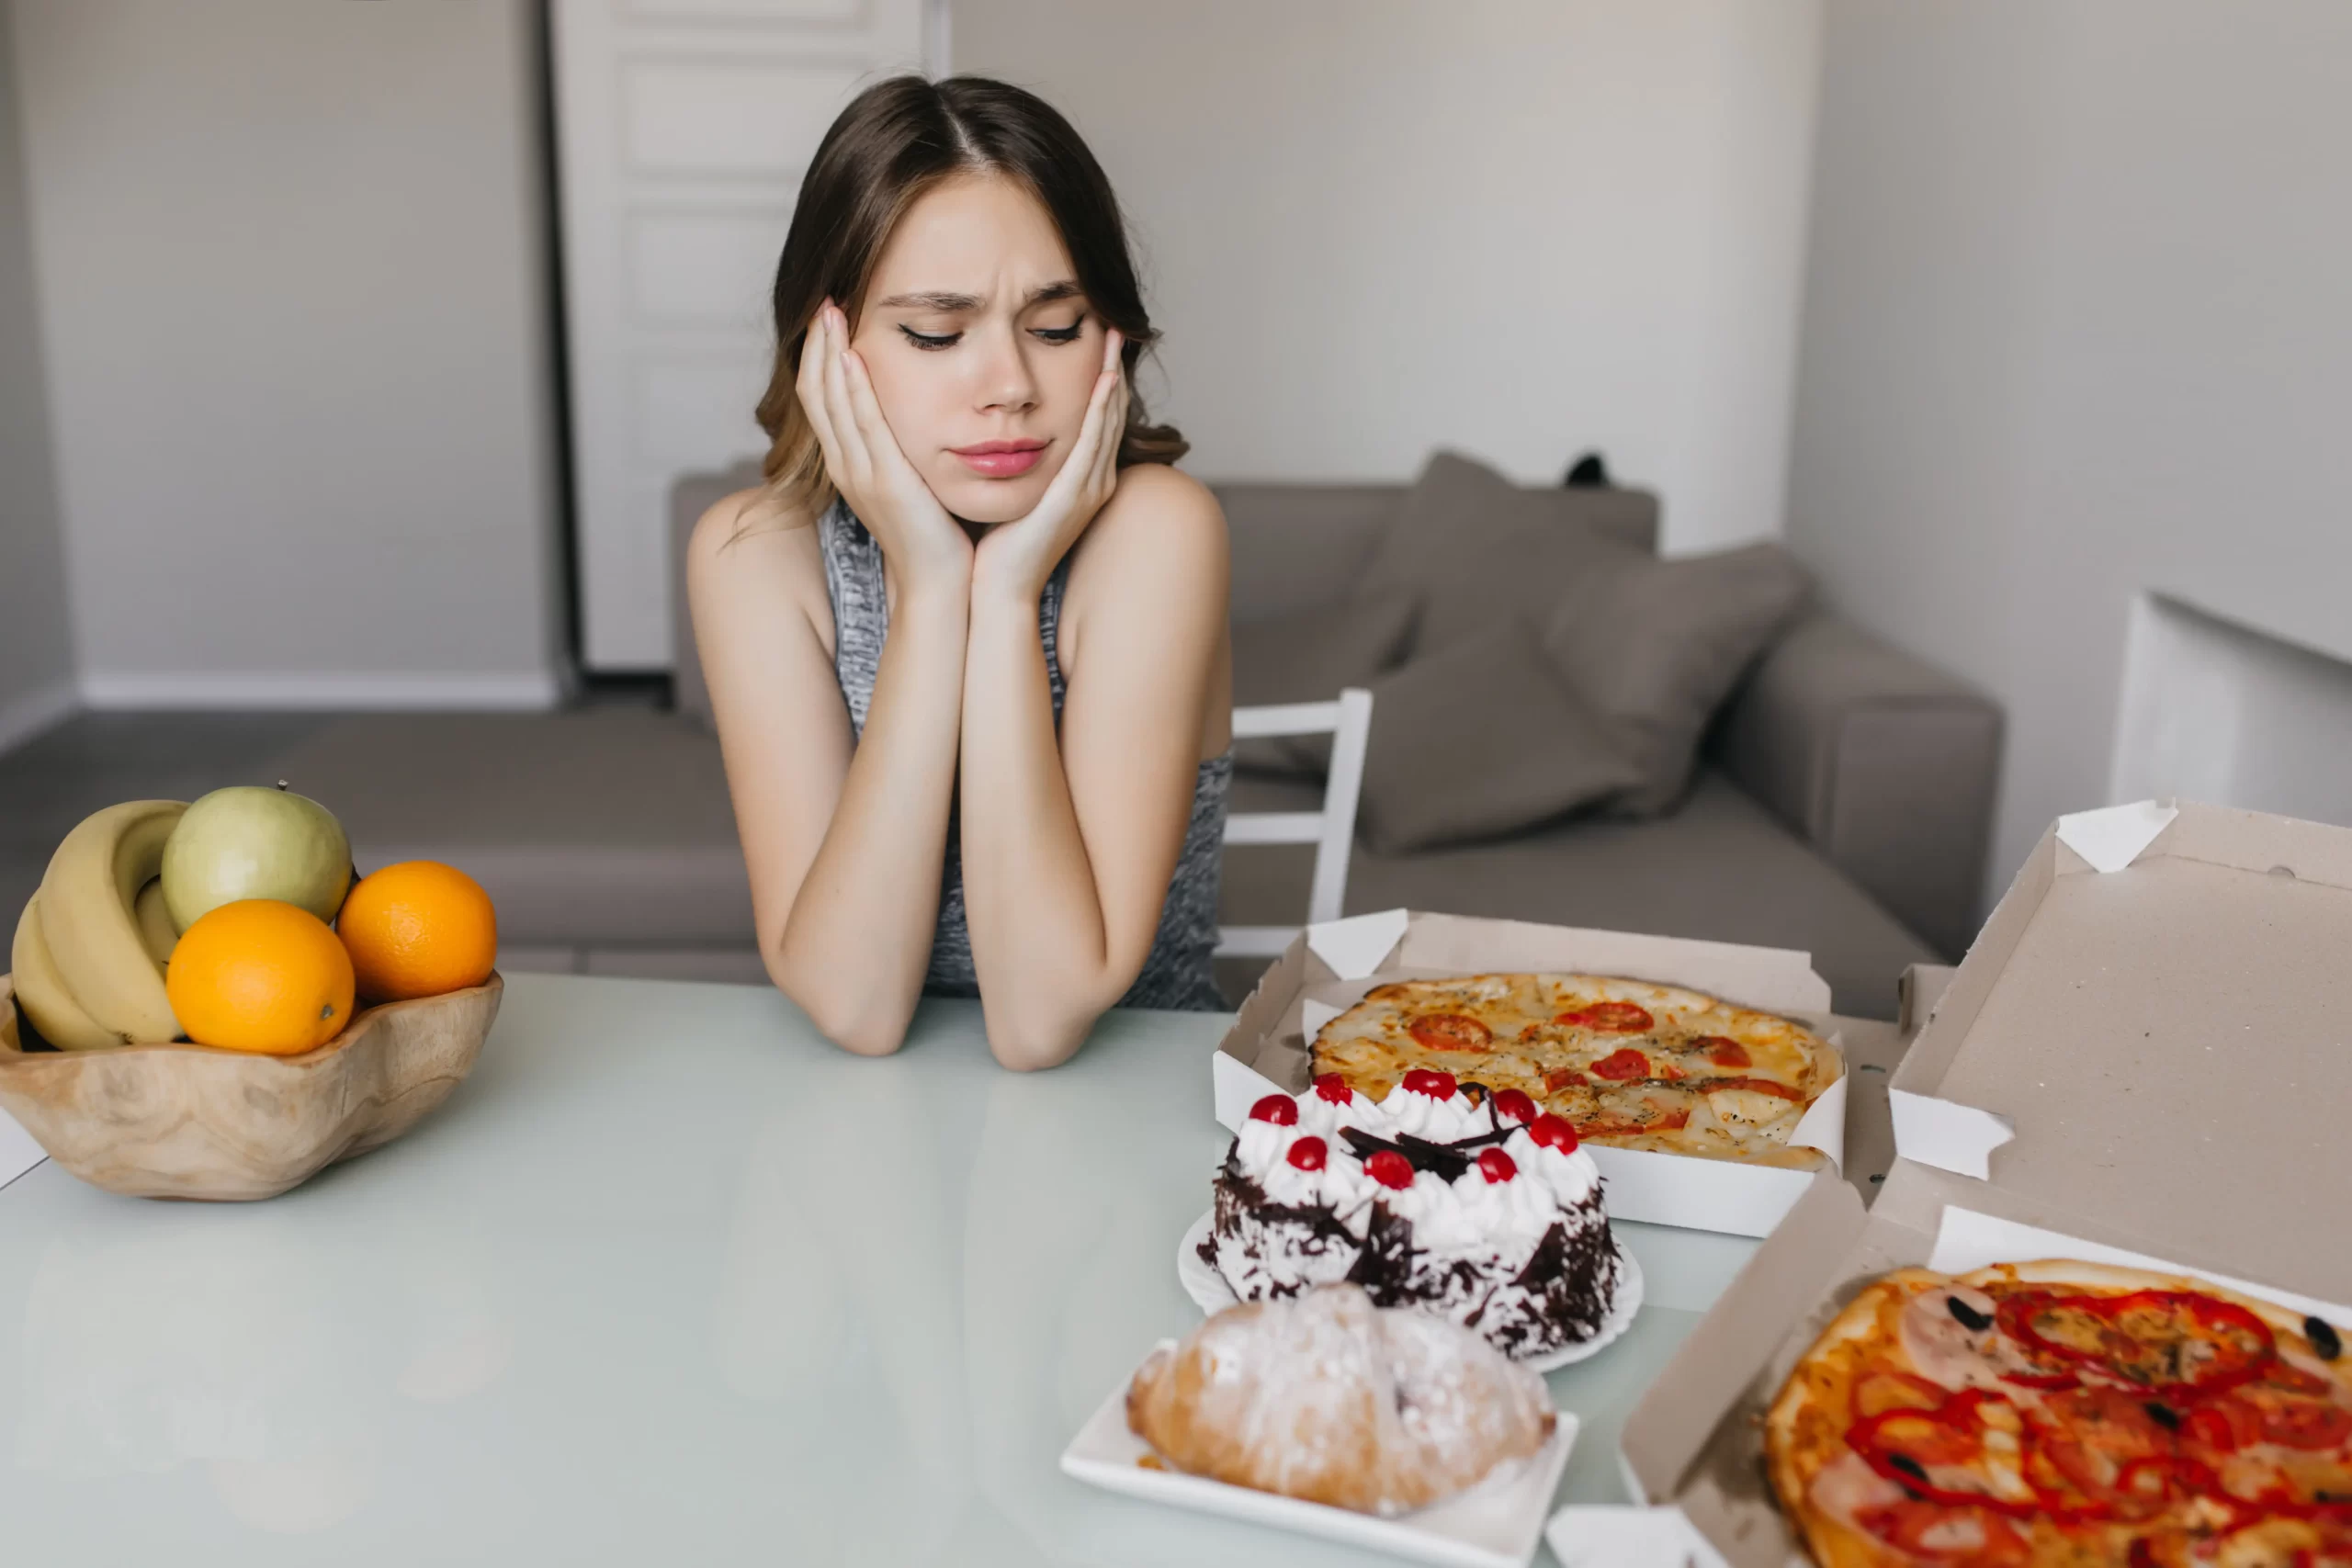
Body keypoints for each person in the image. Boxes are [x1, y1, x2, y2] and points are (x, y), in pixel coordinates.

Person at [687, 74, 1233, 1071]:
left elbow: (1042, 1019)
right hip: (868, 1130)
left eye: (1056, 326)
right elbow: (855, 1006)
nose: (1012, 388)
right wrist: (931, 590)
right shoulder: (755, 557)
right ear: (829, 343)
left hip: (1129, 1112)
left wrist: (1009, 589)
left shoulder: (1158, 534)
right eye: (938, 334)